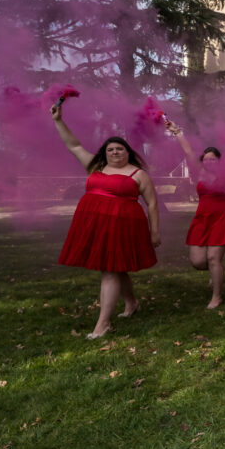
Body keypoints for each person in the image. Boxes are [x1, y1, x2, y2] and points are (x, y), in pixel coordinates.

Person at [51, 102, 159, 339]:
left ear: (128, 152)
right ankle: (132, 304)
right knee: (114, 267)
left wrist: (155, 232)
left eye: (119, 149)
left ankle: (103, 324)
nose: (115, 153)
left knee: (110, 270)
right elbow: (74, 144)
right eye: (110, 150)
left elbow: (151, 203)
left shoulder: (138, 174)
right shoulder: (95, 167)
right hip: (94, 224)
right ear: (104, 153)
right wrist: (59, 120)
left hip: (123, 225)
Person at [165, 120, 225, 310]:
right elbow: (188, 152)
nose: (209, 162)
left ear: (219, 161)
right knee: (198, 261)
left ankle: (217, 296)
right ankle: (216, 272)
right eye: (206, 159)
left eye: (213, 159)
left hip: (223, 217)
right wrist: (177, 131)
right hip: (202, 218)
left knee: (213, 258)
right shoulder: (199, 173)